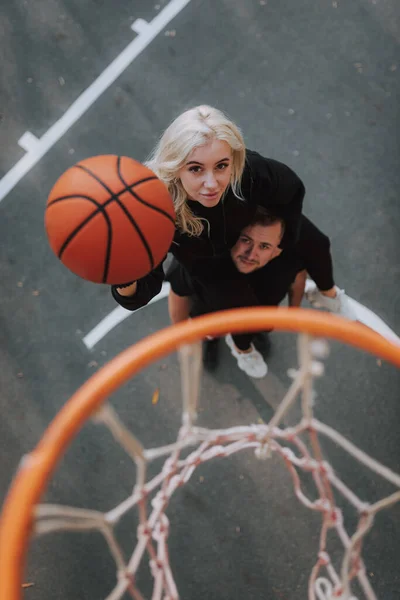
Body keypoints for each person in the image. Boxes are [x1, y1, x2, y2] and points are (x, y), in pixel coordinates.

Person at [112, 105, 352, 337]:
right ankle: (230, 342)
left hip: (243, 231)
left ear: (232, 160)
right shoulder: (156, 211)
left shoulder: (247, 172)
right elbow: (142, 291)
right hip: (207, 262)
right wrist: (125, 278)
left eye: (221, 166)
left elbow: (290, 189)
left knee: (318, 244)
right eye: (195, 169)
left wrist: (283, 241)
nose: (211, 183)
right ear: (175, 168)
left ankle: (327, 293)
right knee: (252, 320)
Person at [171, 207, 334, 378]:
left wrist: (293, 311)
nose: (250, 254)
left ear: (276, 250)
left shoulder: (287, 262)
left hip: (260, 313)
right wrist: (181, 334)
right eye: (245, 240)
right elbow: (178, 291)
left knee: (257, 326)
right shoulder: (201, 260)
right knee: (211, 334)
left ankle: (250, 335)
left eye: (264, 246)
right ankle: (215, 343)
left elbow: (298, 277)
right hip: (210, 315)